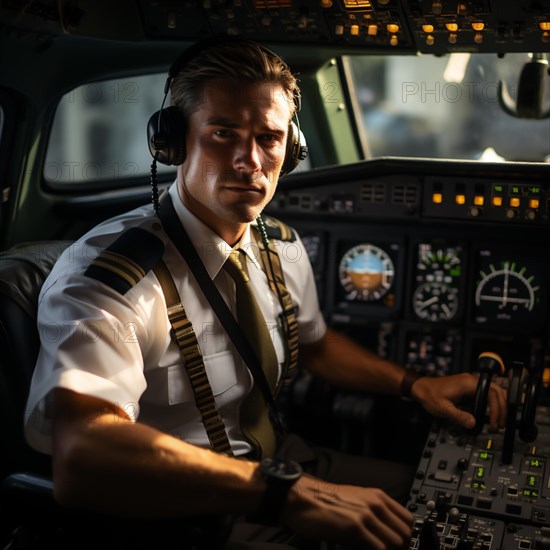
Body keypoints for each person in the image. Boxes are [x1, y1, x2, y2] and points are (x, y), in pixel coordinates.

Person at [24, 38, 507, 550]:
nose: (249, 160)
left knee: (446, 501)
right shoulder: (108, 278)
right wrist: (286, 495)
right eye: (223, 133)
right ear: (174, 142)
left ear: (290, 150)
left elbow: (317, 347)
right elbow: (82, 455)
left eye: (268, 138)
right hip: (190, 508)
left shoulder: (282, 248)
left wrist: (415, 385)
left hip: (282, 464)